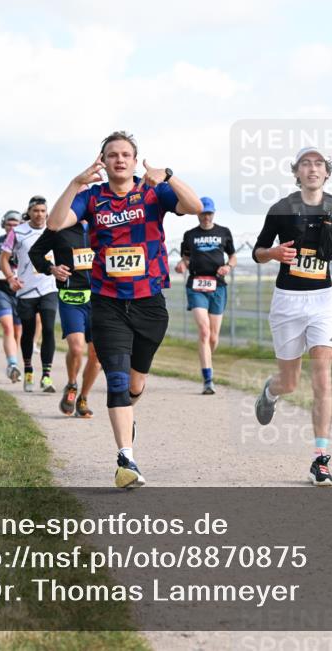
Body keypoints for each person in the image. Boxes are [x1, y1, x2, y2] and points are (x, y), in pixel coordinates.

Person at [47, 130, 203, 488]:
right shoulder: (91, 198)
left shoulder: (153, 192)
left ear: (134, 160)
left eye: (125, 154)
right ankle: (126, 459)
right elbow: (55, 224)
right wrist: (73, 183)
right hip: (107, 302)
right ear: (102, 161)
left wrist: (169, 175)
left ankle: (128, 413)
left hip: (149, 303)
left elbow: (195, 207)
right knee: (115, 379)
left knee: (134, 384)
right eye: (111, 154)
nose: (119, 159)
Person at [252, 147, 332, 487]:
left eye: (318, 164)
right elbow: (258, 252)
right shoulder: (281, 210)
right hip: (287, 301)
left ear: (327, 173)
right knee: (291, 382)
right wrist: (273, 253)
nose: (312, 168)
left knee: (322, 380)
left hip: (321, 302)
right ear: (296, 172)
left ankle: (320, 460)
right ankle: (271, 391)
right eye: (305, 163)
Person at [29, 217, 101, 417]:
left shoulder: (104, 225)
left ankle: (83, 398)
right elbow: (35, 252)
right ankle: (71, 384)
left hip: (101, 299)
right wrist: (51, 269)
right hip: (72, 298)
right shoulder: (59, 228)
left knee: (97, 355)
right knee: (76, 348)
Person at [174, 197, 237, 394]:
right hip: (196, 285)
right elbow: (185, 256)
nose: (206, 217)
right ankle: (208, 379)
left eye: (209, 213)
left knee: (213, 337)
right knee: (204, 331)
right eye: (202, 213)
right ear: (197, 214)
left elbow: (233, 256)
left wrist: (228, 266)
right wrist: (182, 264)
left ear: (213, 214)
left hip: (217, 285)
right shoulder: (190, 235)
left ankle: (207, 357)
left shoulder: (224, 232)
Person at [1, 197, 58, 393]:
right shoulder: (18, 232)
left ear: (47, 212)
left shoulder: (54, 228)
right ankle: (28, 370)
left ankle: (47, 376)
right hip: (25, 289)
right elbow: (4, 258)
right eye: (36, 211)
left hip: (49, 287)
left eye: (43, 211)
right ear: (29, 212)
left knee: (49, 328)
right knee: (28, 330)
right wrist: (10, 278)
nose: (39, 214)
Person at [0, 210, 23, 382]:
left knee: (18, 331)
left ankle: (14, 361)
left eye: (15, 225)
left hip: (20, 291)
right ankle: (12, 364)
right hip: (0, 289)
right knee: (8, 328)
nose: (12, 228)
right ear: (3, 225)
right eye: (9, 224)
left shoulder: (25, 241)